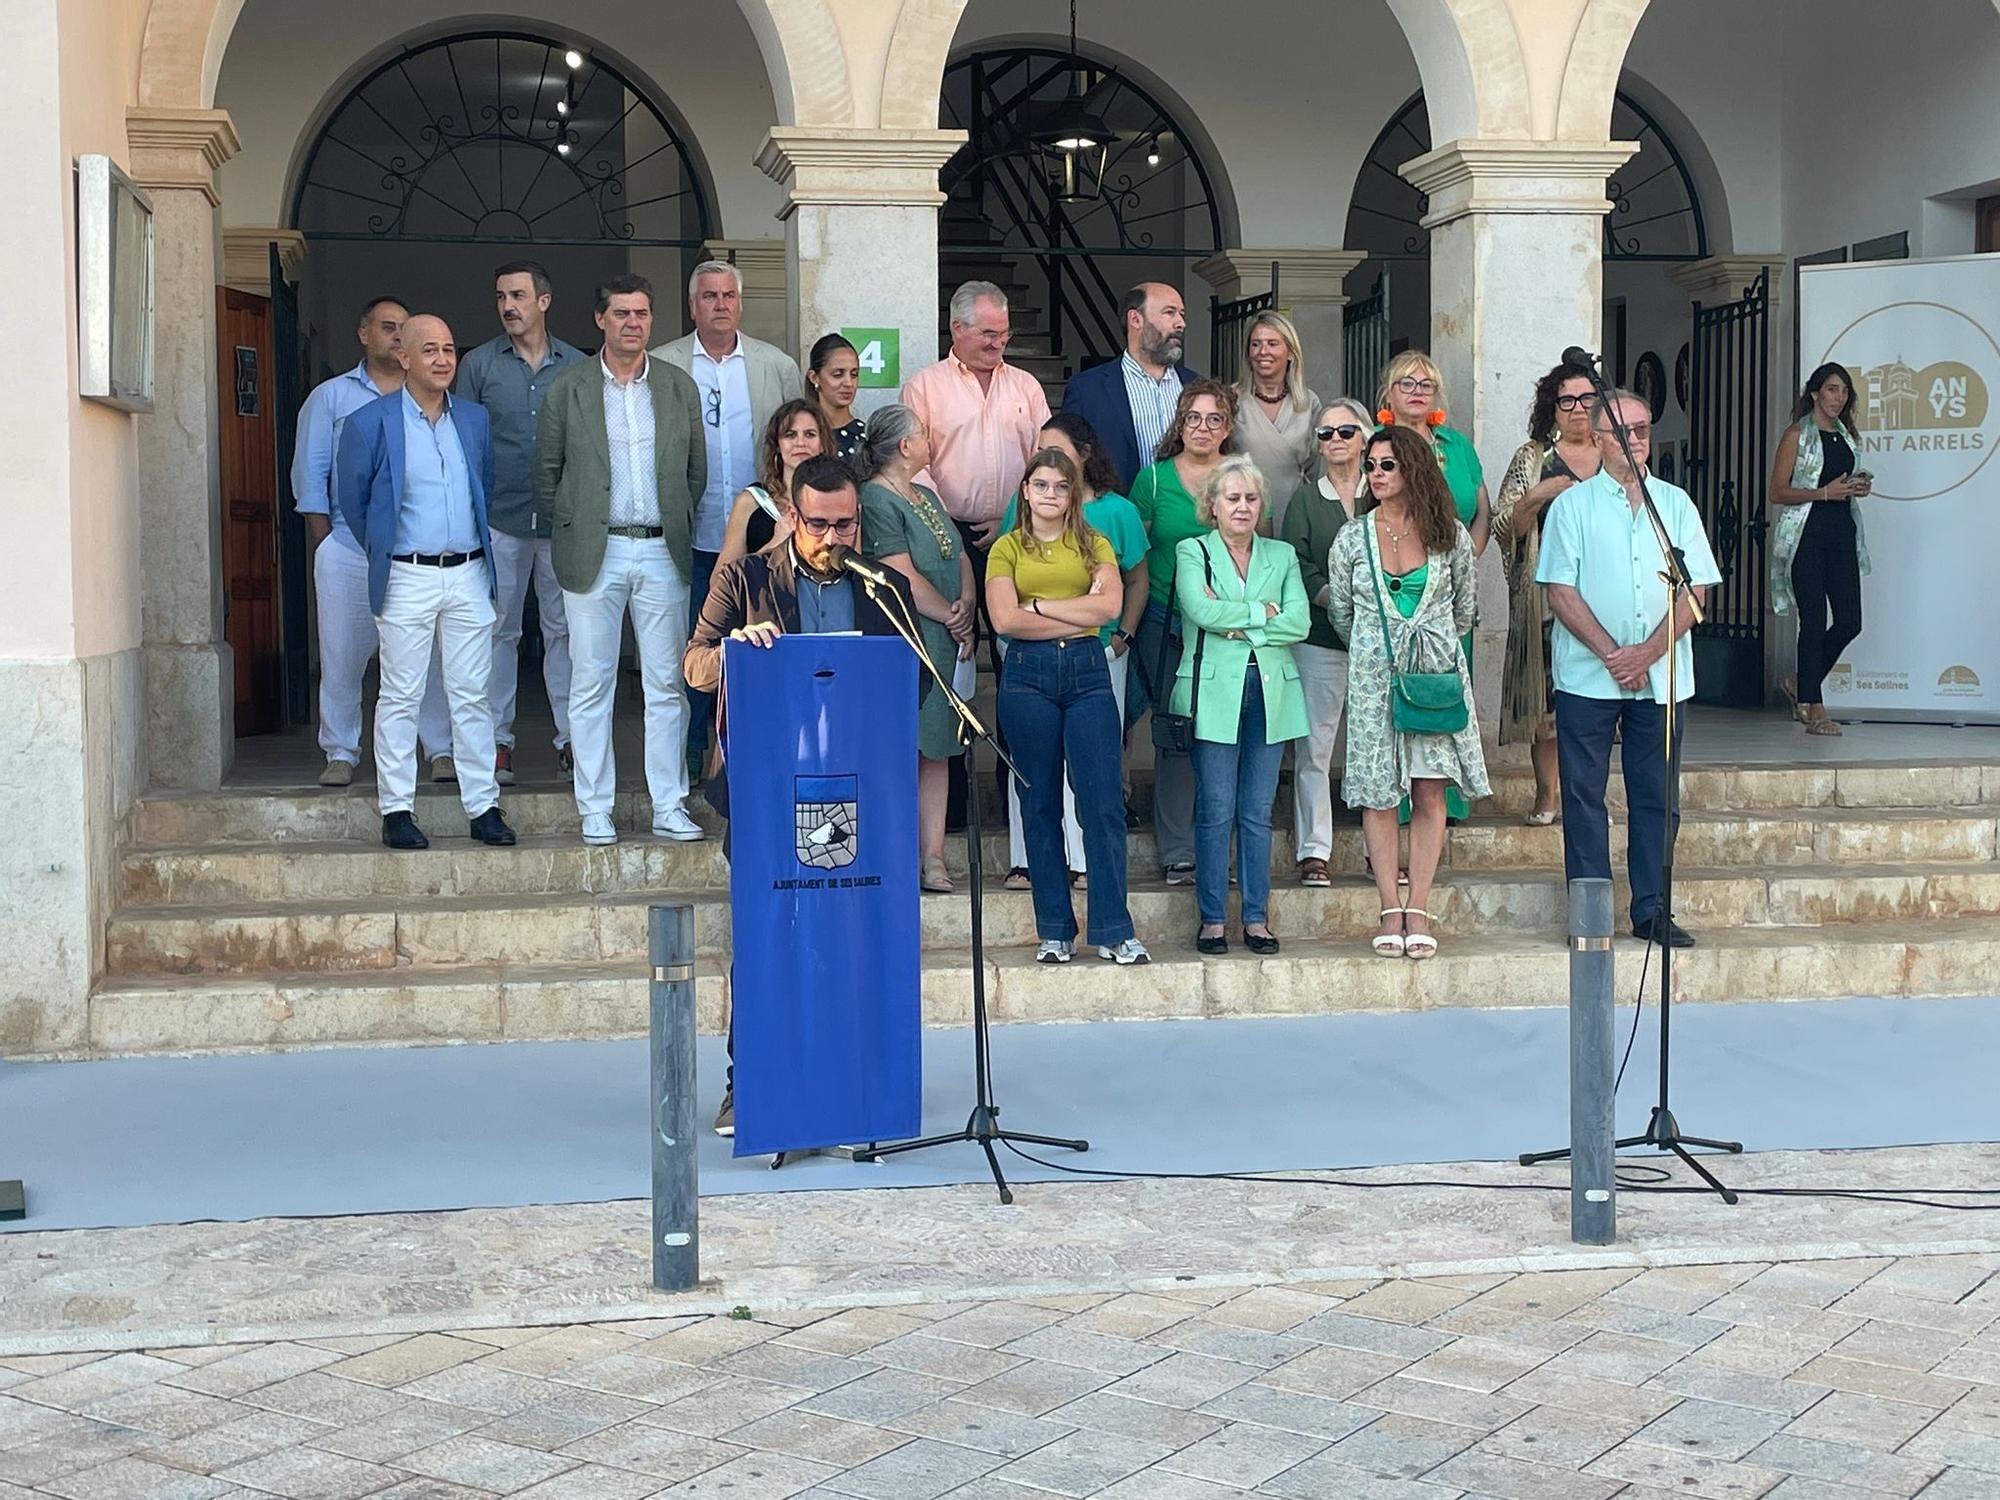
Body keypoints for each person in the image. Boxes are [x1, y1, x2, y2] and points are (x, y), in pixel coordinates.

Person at [685, 456, 923, 1136]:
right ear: (791, 515)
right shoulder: (745, 578)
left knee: (855, 939)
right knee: (765, 944)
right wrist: (735, 648)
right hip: (768, 795)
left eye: (845, 523)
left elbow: (917, 686)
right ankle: (749, 1084)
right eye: (817, 523)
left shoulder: (883, 588)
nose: (832, 536)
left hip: (857, 796)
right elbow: (693, 665)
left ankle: (855, 1087)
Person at [1537, 390, 1721, 948]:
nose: (1637, 439)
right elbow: (1559, 591)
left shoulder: (1677, 505)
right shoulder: (1572, 506)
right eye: (1624, 430)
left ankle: (1652, 909)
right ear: (1597, 439)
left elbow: (1698, 591)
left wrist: (1647, 653)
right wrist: (1615, 653)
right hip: (1588, 678)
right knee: (1584, 796)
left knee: (1656, 797)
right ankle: (1591, 913)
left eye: (1642, 429)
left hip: (1662, 678)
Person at [333, 314, 515, 852]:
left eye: (450, 349)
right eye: (429, 349)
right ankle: (396, 809)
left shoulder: (475, 420)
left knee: (472, 695)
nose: (442, 359)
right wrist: (390, 553)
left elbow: (485, 482)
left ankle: (482, 805)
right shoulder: (370, 423)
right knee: (400, 695)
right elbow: (355, 501)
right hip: (407, 574)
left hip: (468, 572)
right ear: (403, 357)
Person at [538, 273, 707, 848]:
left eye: (641, 313)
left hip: (662, 547)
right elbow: (547, 473)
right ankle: (595, 807)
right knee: (591, 682)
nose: (632, 323)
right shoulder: (569, 387)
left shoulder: (678, 387)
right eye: (621, 313)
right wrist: (575, 523)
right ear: (599, 320)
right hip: (595, 547)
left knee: (665, 683)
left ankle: (669, 803)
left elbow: (695, 473)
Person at [987, 448, 1149, 967]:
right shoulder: (1006, 548)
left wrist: (1039, 606)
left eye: (1061, 486)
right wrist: (1072, 616)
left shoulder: (1095, 543)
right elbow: (1005, 621)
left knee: (1101, 803)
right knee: (1039, 805)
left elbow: (1108, 608)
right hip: (1028, 674)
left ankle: (1112, 928)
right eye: (1042, 485)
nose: (1051, 495)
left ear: (1073, 492)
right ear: (1026, 491)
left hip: (1087, 671)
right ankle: (1054, 929)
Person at [1330, 425, 1487, 958]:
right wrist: (1383, 648)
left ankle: (1417, 903)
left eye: (1386, 464)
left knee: (1428, 789)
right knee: (1378, 793)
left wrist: (1428, 644)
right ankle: (1387, 905)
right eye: (1370, 465)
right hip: (1376, 678)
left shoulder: (1451, 534)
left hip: (1436, 677)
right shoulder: (1352, 538)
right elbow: (1343, 615)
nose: (1374, 473)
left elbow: (1466, 607)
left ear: (1413, 468)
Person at [292, 295, 453, 787]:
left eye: (404, 329)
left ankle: (440, 750)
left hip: (414, 552)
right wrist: (330, 545)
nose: (396, 335)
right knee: (342, 654)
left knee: (425, 656)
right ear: (364, 335)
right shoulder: (332, 397)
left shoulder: (431, 397)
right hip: (349, 548)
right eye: (387, 327)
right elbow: (310, 476)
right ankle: (340, 751)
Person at [656, 260, 806, 780]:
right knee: (698, 647)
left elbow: (793, 437)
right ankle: (696, 755)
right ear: (692, 304)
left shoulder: (776, 365)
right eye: (709, 296)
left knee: (759, 644)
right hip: (690, 533)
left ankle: (745, 756)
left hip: (763, 533)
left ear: (740, 303)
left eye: (728, 296)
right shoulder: (663, 363)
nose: (720, 305)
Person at [1174, 458, 1310, 956]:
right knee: (1214, 808)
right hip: (1214, 692)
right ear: (1212, 505)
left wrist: (1238, 623)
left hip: (1273, 694)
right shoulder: (1194, 551)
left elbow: (1299, 622)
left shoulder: (1283, 554)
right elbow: (1200, 609)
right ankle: (1212, 918)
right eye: (1232, 498)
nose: (1243, 507)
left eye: (1251, 498)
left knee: (1255, 811)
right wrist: (1263, 613)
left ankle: (1256, 916)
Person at [456, 261, 583, 784]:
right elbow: (460, 443)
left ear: (544, 302)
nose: (508, 306)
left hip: (561, 521)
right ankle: (496, 745)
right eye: (501, 297)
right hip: (499, 519)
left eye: (518, 296)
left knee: (565, 635)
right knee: (497, 633)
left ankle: (574, 741)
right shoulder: (479, 366)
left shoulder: (577, 365)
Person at [858, 404, 978, 893]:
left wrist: (967, 603)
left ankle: (934, 857)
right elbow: (898, 571)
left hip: (947, 635)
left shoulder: (925, 492)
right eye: (923, 434)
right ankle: (898, 853)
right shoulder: (876, 498)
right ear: (905, 446)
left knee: (940, 748)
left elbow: (961, 556)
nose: (931, 439)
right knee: (906, 747)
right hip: (911, 636)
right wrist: (951, 615)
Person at [1129, 378, 1237, 884]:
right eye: (1193, 417)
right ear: (1179, 423)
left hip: (1227, 629)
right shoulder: (1152, 481)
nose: (1202, 427)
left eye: (1214, 418)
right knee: (1174, 735)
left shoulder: (1241, 477)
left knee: (1222, 736)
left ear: (1229, 427)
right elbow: (1135, 554)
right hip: (1164, 621)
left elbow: (1261, 546)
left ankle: (1217, 846)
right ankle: (1177, 850)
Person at [1379, 349, 1491, 824]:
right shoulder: (1377, 444)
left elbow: (1482, 511)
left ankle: (1447, 800)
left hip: (1450, 596)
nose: (1418, 391)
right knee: (1399, 699)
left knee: (1446, 694)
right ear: (1388, 393)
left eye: (1426, 383)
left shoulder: (1457, 445)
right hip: (1400, 594)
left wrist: (1463, 564)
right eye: (1407, 383)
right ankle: (1399, 802)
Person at [902, 281, 1054, 615]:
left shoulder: (1026, 386)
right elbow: (912, 466)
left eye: (1004, 334)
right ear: (957, 328)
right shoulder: (924, 386)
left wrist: (1013, 517)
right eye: (988, 333)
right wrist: (943, 525)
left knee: (1017, 638)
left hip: (1019, 529)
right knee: (958, 640)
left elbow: (1044, 460)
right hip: (948, 533)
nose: (998, 343)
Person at [1493, 361, 1603, 824]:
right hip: (1546, 595)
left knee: (1598, 702)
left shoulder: (1615, 454)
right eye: (1567, 400)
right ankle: (1547, 796)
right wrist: (1539, 494)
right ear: (1551, 408)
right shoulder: (1532, 457)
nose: (1577, 409)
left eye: (1586, 399)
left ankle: (1589, 798)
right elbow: (1505, 525)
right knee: (1548, 701)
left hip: (1604, 596)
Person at [1279, 398, 1371, 886]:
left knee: (1380, 743)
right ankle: (1314, 849)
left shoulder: (1382, 490)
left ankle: (1383, 845)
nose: (1335, 441)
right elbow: (1296, 559)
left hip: (1378, 643)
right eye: (1326, 433)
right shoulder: (1305, 498)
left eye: (1345, 431)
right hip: (1321, 639)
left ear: (1364, 437)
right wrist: (1330, 594)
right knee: (1314, 747)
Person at [1770, 361, 1871, 736]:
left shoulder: (1845, 436)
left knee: (1850, 621)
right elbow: (1778, 492)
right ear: (1814, 393)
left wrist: (1856, 488)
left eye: (1844, 391)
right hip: (1806, 537)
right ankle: (1814, 708)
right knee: (1813, 621)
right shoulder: (1797, 434)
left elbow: (1842, 482)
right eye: (1832, 389)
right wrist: (1823, 493)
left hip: (1842, 535)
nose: (1838, 397)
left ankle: (1801, 682)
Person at [1059, 282, 1198, 491]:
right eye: (1169, 313)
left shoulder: (1196, 386)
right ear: (1135, 319)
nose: (1181, 323)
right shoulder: (1086, 390)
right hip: (1115, 517)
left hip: (1186, 518)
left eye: (1181, 314)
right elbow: (1068, 464)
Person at [715, 399, 830, 568]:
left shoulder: (838, 501)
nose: (800, 442)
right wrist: (774, 544)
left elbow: (851, 574)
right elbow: (720, 580)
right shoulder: (751, 501)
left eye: (810, 434)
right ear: (777, 445)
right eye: (790, 435)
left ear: (822, 444)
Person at [1234, 311, 1322, 521]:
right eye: (1255, 344)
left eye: (1273, 343)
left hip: (1296, 510)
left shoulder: (1309, 403)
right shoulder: (1230, 401)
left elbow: (1315, 468)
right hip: (1242, 512)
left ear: (1291, 353)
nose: (1263, 351)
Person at [806, 333, 867, 465]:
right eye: (838, 374)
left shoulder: (868, 438)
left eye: (854, 374)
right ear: (814, 377)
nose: (848, 383)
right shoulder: (800, 437)